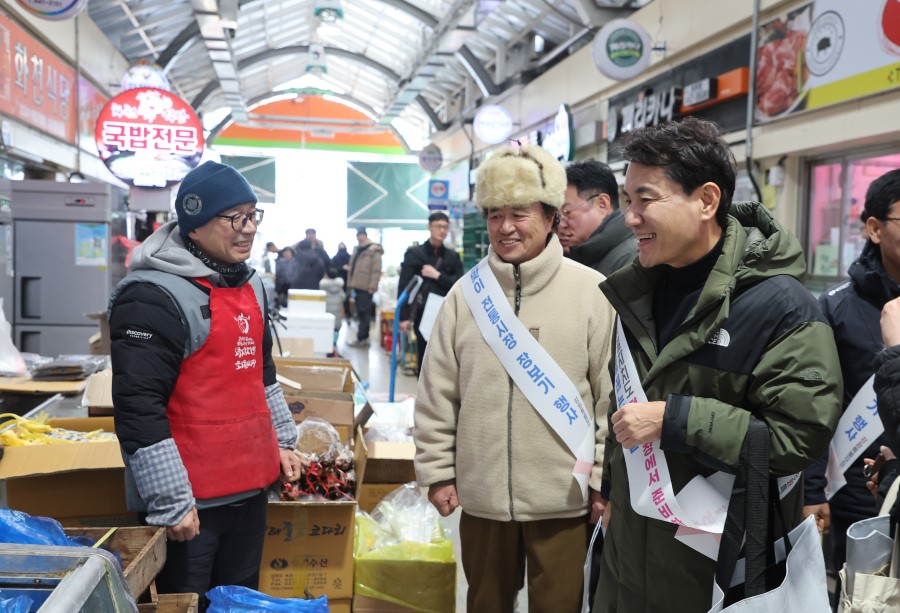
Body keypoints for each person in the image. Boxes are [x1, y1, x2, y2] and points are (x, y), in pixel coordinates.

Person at [594, 117, 842, 612]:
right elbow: (626, 410)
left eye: (646, 200)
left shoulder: (781, 306)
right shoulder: (639, 293)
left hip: (722, 575)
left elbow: (797, 438)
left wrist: (677, 420)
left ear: (706, 200)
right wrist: (609, 492)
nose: (631, 218)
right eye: (627, 200)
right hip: (628, 566)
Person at [413, 145, 616, 612]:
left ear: (550, 217)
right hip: (481, 497)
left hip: (564, 499)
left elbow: (610, 398)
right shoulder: (466, 296)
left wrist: (604, 480)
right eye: (495, 214)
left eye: (520, 213)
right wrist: (437, 471)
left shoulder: (591, 292)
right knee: (484, 603)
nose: (506, 227)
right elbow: (437, 394)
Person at [108, 161, 302, 606]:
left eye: (253, 215)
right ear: (194, 227)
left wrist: (283, 442)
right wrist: (171, 500)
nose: (249, 228)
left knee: (239, 601)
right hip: (192, 506)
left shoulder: (251, 286)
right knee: (187, 603)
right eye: (235, 218)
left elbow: (260, 372)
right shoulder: (151, 296)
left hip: (252, 490)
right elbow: (138, 405)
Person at [802, 168, 900, 602]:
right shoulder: (836, 308)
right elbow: (816, 402)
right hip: (859, 490)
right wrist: (810, 489)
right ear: (875, 228)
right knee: (864, 598)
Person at [397, 211, 464, 376]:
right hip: (421, 312)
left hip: (446, 312)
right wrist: (403, 317)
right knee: (424, 353)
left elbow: (459, 284)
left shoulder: (452, 257)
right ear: (429, 227)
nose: (442, 231)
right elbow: (404, 285)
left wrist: (437, 275)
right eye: (438, 226)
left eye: (445, 227)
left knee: (444, 355)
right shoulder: (415, 254)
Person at [559, 159, 637, 276]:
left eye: (567, 212)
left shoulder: (631, 258)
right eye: (557, 215)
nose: (560, 225)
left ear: (602, 205)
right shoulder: (586, 255)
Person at [347, 228, 383, 347]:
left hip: (366, 287)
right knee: (360, 313)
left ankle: (363, 338)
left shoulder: (374, 249)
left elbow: (376, 270)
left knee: (364, 313)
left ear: (366, 235)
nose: (360, 237)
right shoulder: (357, 249)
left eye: (362, 235)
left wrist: (372, 286)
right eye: (358, 235)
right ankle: (362, 337)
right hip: (356, 285)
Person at [320, 266, 346, 356]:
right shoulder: (339, 286)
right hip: (337, 315)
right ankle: (333, 347)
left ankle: (328, 349)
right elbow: (343, 297)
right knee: (335, 331)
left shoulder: (323, 286)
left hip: (327, 314)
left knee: (327, 332)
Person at [331, 241, 351, 321]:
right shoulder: (335, 258)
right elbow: (333, 269)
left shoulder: (350, 257)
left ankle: (347, 314)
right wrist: (342, 267)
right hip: (337, 282)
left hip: (348, 281)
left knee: (346, 298)